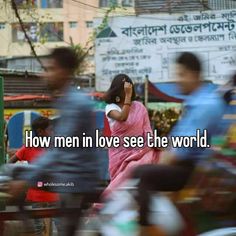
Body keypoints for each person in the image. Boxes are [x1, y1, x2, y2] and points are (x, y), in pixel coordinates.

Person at [129, 52, 226, 235]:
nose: (177, 80)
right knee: (141, 171)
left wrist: (160, 161)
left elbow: (180, 152)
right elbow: (174, 142)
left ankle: (146, 230)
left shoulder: (206, 105)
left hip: (195, 171)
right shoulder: (196, 102)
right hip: (187, 166)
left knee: (145, 175)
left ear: (194, 75)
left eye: (181, 74)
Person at [8, 47, 100, 236]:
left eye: (51, 69)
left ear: (64, 72)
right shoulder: (66, 101)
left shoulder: (76, 104)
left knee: (68, 230)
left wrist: (28, 178)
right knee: (12, 172)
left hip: (76, 180)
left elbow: (60, 149)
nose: (45, 75)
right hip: (66, 176)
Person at [103, 74, 159, 196]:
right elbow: (122, 117)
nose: (126, 91)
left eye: (128, 88)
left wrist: (154, 145)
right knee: (123, 181)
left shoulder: (139, 107)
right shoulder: (110, 108)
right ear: (117, 90)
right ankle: (109, 204)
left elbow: (147, 130)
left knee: (140, 169)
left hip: (141, 150)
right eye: (124, 89)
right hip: (119, 153)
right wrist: (128, 96)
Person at [8, 116, 59, 236]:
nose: (53, 132)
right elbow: (11, 163)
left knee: (47, 229)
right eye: (50, 130)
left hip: (51, 195)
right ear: (40, 132)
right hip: (38, 196)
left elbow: (10, 163)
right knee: (39, 229)